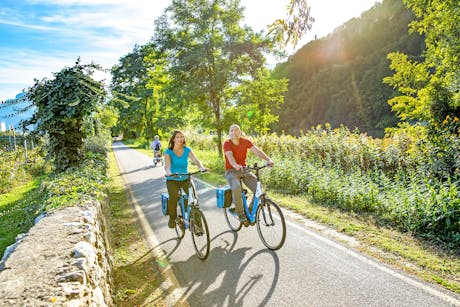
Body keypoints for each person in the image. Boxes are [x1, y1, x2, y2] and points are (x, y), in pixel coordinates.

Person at [223, 124, 274, 225]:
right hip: (231, 171)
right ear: (229, 133)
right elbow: (229, 156)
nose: (233, 132)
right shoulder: (227, 143)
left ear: (240, 132)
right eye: (231, 130)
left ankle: (250, 212)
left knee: (258, 189)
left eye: (236, 130)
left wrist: (268, 159)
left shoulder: (245, 141)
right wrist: (235, 164)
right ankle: (241, 214)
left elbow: (256, 151)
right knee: (237, 187)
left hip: (244, 170)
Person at [164, 130, 208, 228]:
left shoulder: (187, 150)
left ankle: (198, 226)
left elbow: (196, 160)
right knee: (173, 198)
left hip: (185, 178)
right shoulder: (168, 152)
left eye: (181, 136)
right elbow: (167, 167)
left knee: (194, 200)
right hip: (173, 179)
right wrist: (169, 173)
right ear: (173, 139)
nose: (180, 139)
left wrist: (201, 167)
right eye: (178, 137)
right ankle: (172, 218)